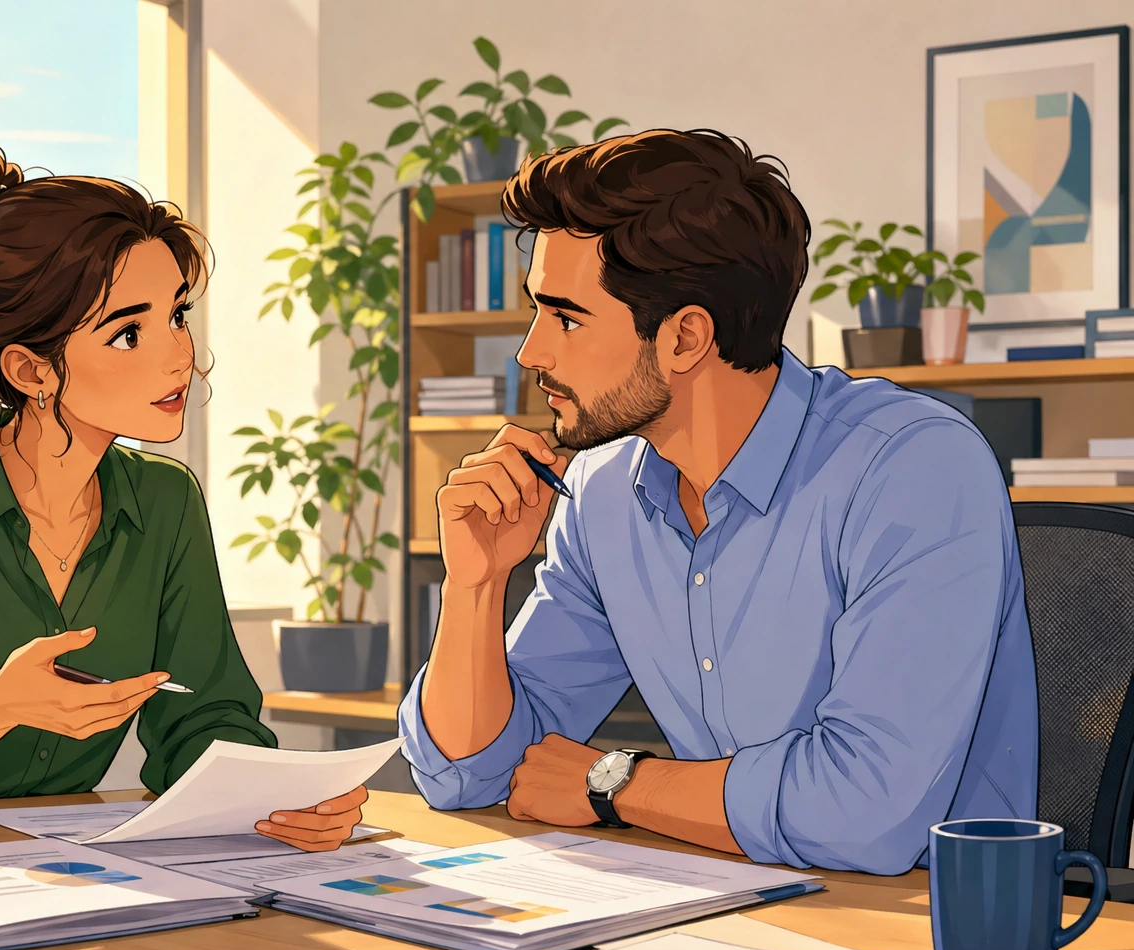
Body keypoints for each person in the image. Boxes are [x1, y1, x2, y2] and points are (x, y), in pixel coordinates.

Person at [398, 129, 1038, 875]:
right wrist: (475, 586)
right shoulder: (602, 494)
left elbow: (866, 814)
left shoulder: (912, 467)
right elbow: (472, 774)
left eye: (566, 318)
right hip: (726, 894)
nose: (530, 352)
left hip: (930, 920)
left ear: (686, 338)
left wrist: (616, 784)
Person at [0, 141, 366, 848]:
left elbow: (205, 719)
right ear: (31, 370)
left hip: (80, 867)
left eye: (177, 316)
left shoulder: (165, 499)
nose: (181, 353)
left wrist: (274, 800)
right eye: (128, 334)